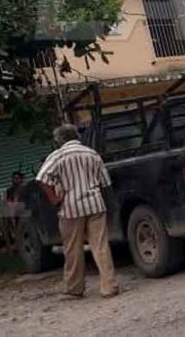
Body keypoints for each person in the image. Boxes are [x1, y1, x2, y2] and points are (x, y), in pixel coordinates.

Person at [36, 124, 119, 299]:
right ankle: (109, 286)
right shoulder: (92, 153)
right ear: (76, 136)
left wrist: (54, 199)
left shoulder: (57, 156)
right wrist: (109, 205)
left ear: (59, 140)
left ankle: (74, 288)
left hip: (70, 207)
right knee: (101, 246)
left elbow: (42, 178)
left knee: (72, 248)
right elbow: (106, 183)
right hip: (95, 204)